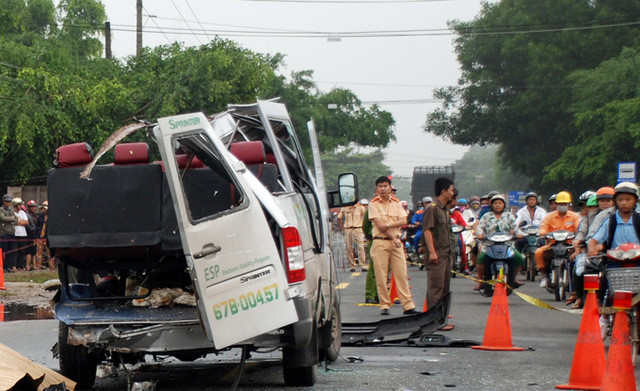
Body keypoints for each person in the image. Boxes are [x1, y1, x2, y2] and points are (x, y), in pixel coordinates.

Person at [368, 176, 417, 315]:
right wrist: (393, 237)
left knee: (401, 274)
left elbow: (403, 220)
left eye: (385, 186)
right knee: (381, 275)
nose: (382, 189)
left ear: (390, 188)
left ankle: (407, 305)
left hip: (395, 243)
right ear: (376, 189)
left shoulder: (396, 203)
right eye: (380, 186)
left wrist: (389, 225)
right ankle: (384, 305)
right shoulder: (373, 204)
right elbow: (379, 225)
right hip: (380, 242)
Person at [422, 177, 455, 326]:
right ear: (443, 191)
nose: (452, 193)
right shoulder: (432, 208)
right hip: (437, 255)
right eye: (451, 190)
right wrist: (432, 252)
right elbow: (427, 230)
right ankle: (432, 322)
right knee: (436, 288)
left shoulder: (445, 210)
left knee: (444, 288)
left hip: (446, 255)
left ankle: (441, 320)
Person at [475, 194, 525, 291]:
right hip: (489, 245)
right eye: (496, 203)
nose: (498, 205)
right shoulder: (486, 216)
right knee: (481, 259)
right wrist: (479, 234)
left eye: (500, 203)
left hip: (507, 245)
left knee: (519, 258)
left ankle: (512, 279)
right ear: (492, 205)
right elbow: (480, 228)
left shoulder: (509, 216)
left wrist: (519, 234)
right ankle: (481, 281)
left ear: (504, 205)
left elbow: (515, 228)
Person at [535, 191, 581, 288]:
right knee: (538, 253)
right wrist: (542, 233)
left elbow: (578, 229)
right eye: (560, 204)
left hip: (569, 245)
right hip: (553, 244)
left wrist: (577, 236)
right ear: (556, 204)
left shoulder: (575, 216)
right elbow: (543, 227)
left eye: (564, 204)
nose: (562, 206)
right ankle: (544, 276)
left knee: (579, 256)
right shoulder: (549, 216)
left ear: (568, 204)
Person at [588, 182, 640, 258]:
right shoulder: (609, 221)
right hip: (614, 261)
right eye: (620, 200)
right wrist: (592, 251)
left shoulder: (638, 219)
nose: (624, 203)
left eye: (628, 200)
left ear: (635, 201)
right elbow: (592, 241)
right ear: (615, 201)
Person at [338, 200, 368, 272]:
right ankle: (352, 265)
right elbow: (339, 218)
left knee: (360, 247)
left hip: (358, 229)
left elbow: (366, 217)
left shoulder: (360, 207)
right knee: (349, 247)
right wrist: (342, 228)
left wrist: (364, 227)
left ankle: (362, 265)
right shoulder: (344, 208)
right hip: (348, 229)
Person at [0, 194, 17, 272]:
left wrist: (10, 219)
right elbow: (2, 218)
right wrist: (11, 219)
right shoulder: (1, 210)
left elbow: (16, 219)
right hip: (4, 233)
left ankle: (8, 266)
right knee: (4, 251)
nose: (8, 203)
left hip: (11, 232)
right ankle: (2, 266)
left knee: (11, 251)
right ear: (4, 202)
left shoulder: (11, 210)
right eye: (7, 201)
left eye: (9, 202)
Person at [12, 198, 29, 270]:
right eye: (19, 205)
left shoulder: (22, 213)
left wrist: (19, 222)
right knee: (15, 251)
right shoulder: (12, 213)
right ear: (15, 205)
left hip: (23, 234)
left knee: (22, 251)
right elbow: (13, 222)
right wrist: (21, 222)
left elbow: (26, 222)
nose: (21, 206)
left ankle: (20, 266)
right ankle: (14, 265)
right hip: (15, 234)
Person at [25, 200, 38, 271]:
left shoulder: (34, 215)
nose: (33, 208)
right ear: (29, 207)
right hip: (30, 235)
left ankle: (34, 265)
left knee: (34, 251)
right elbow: (29, 226)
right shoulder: (27, 215)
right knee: (29, 251)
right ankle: (27, 265)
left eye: (34, 207)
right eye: (31, 207)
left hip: (34, 234)